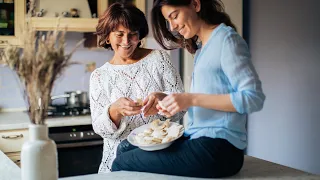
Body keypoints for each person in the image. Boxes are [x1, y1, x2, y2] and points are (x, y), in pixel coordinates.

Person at [111, 0, 266, 178]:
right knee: (124, 148)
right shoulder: (202, 49)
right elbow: (209, 96)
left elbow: (252, 98)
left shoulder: (226, 40)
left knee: (122, 162)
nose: (173, 26)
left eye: (174, 16)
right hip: (200, 139)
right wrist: (166, 98)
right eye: (168, 21)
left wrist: (190, 99)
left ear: (195, 4)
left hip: (220, 149)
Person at [90, 2, 185, 174]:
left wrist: (163, 99)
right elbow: (100, 128)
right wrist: (114, 111)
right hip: (117, 163)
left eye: (132, 34)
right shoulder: (99, 76)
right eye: (119, 34)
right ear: (107, 36)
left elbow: (181, 109)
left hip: (159, 160)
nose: (126, 42)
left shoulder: (159, 59)